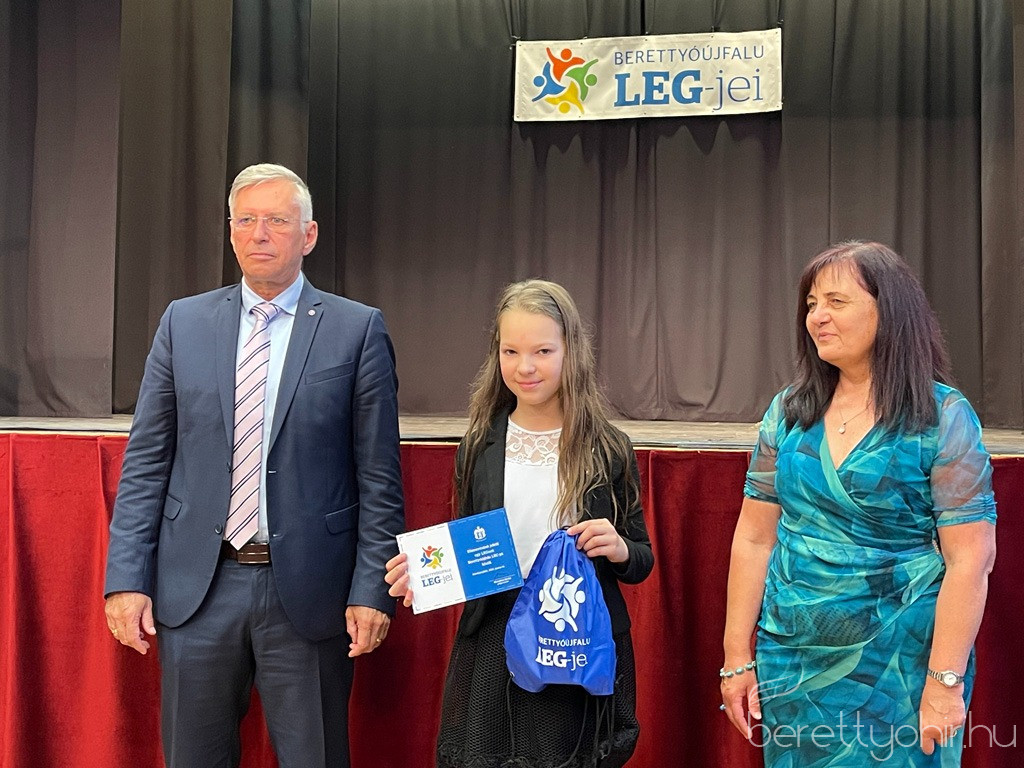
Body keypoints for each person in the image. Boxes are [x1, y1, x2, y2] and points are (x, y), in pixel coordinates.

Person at [104, 163, 404, 768]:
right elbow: (146, 464)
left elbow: (378, 478)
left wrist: (373, 587)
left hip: (311, 595)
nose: (259, 233)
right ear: (231, 232)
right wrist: (126, 578)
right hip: (198, 590)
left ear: (308, 235)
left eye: (277, 221)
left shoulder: (356, 329)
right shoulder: (183, 323)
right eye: (246, 220)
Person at [721, 242, 997, 766]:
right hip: (793, 659)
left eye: (836, 302)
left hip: (901, 664)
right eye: (811, 304)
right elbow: (754, 539)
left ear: (887, 310)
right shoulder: (789, 412)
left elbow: (971, 560)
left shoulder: (941, 417)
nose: (817, 317)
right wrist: (736, 657)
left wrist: (945, 681)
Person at [385, 279, 654, 767]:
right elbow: (471, 551)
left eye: (542, 351)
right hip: (495, 637)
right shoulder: (479, 446)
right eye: (511, 351)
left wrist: (618, 547)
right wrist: (425, 575)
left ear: (572, 351)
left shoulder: (609, 447)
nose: (525, 367)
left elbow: (641, 560)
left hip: (573, 639)